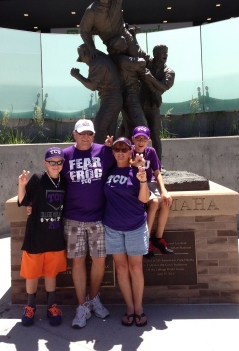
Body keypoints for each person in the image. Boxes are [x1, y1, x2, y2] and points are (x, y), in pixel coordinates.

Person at [61, 118, 115, 328]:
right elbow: (52, 180)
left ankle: (94, 299)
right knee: (77, 261)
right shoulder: (65, 156)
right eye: (81, 133)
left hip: (99, 218)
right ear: (74, 134)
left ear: (94, 135)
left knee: (100, 260)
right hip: (73, 218)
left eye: (89, 134)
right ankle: (81, 305)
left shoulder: (104, 152)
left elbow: (123, 163)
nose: (86, 137)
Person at [17, 147, 67, 327]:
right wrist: (21, 185)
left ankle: (51, 306)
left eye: (59, 162)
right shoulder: (38, 179)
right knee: (32, 274)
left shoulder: (64, 181)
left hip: (54, 237)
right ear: (45, 163)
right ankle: (30, 307)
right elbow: (23, 201)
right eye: (52, 162)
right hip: (35, 236)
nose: (56, 165)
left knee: (51, 274)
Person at [103, 137, 149, 327]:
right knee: (121, 269)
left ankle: (139, 309)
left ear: (131, 151)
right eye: (117, 149)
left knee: (135, 268)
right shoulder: (108, 171)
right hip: (113, 227)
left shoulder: (136, 171)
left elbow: (144, 199)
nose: (120, 152)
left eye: (124, 149)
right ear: (113, 152)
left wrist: (144, 180)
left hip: (135, 226)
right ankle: (129, 308)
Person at [131, 126, 173, 259]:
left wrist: (164, 191)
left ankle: (158, 238)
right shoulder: (129, 151)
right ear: (133, 139)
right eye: (138, 138)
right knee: (154, 202)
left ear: (148, 140)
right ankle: (146, 240)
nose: (141, 142)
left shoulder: (151, 151)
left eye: (144, 139)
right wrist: (135, 164)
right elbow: (128, 163)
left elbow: (157, 172)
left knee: (166, 202)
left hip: (150, 183)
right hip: (137, 183)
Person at [70, 44, 123, 144]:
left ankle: (99, 154)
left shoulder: (97, 63)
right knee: (109, 131)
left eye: (82, 58)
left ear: (85, 54)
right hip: (113, 98)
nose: (84, 62)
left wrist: (77, 75)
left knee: (99, 128)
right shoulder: (101, 60)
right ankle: (111, 155)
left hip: (111, 98)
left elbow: (92, 86)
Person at [141, 44, 175, 164]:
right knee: (135, 132)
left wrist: (150, 78)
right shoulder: (148, 62)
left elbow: (163, 86)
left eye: (166, 52)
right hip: (138, 104)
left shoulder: (169, 72)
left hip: (153, 106)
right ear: (155, 54)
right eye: (163, 52)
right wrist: (133, 36)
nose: (165, 54)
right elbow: (137, 50)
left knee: (155, 136)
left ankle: (157, 164)